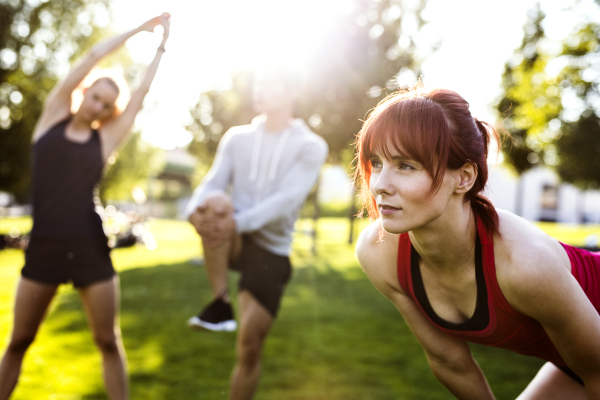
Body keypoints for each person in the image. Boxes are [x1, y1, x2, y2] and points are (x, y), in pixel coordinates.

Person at [354, 86, 600, 400]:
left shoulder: (524, 263)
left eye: (405, 165)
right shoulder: (378, 252)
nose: (379, 185)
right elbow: (450, 361)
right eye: (376, 163)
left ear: (465, 178)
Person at [0, 14, 170, 400]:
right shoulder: (50, 119)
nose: (97, 106)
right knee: (19, 341)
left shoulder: (105, 139)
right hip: (44, 243)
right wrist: (139, 31)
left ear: (110, 111)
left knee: (108, 340)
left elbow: (140, 95)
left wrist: (161, 48)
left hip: (89, 243)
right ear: (85, 91)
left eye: (107, 104)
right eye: (95, 95)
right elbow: (92, 56)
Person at [185, 67, 328, 400]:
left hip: (271, 250)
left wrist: (239, 222)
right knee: (213, 203)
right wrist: (194, 210)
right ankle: (220, 303)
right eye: (259, 83)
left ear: (292, 91)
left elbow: (287, 199)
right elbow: (214, 181)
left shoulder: (311, 145)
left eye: (271, 83)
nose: (261, 90)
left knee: (249, 348)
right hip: (234, 237)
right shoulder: (237, 138)